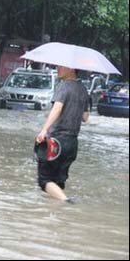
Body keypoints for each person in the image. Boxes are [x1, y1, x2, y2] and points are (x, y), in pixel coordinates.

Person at [35, 65, 90, 202]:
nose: (58, 68)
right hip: (72, 143)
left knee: (44, 180)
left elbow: (57, 108)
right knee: (58, 181)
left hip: (57, 140)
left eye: (61, 66)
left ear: (72, 68)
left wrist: (44, 130)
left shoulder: (63, 85)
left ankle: (66, 202)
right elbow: (85, 117)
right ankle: (55, 214)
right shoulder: (83, 90)